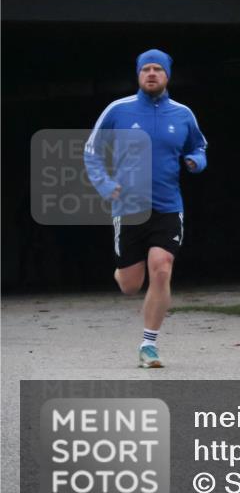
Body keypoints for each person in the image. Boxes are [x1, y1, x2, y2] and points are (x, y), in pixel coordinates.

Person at [84, 49, 208, 368]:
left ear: (167, 75)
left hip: (168, 206)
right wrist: (104, 184)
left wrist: (197, 161)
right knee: (130, 285)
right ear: (138, 75)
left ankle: (148, 344)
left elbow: (199, 145)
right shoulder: (118, 110)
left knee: (162, 266)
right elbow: (91, 151)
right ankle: (123, 271)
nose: (151, 73)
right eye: (146, 69)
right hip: (129, 208)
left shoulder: (182, 114)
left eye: (157, 69)